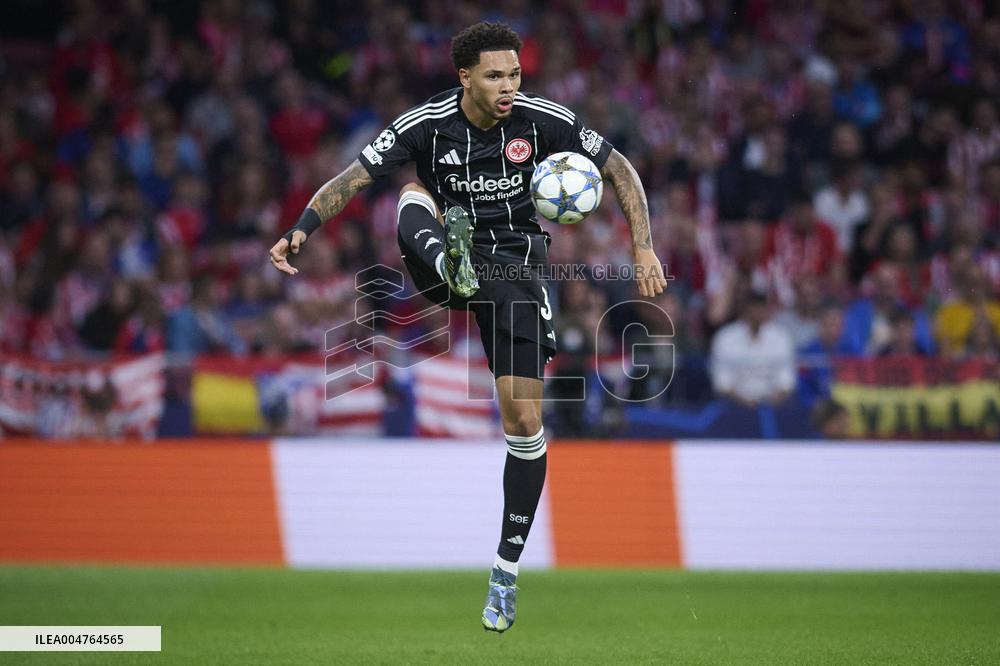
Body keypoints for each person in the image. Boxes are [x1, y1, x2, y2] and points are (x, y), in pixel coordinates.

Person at [267, 22, 667, 633]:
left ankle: (505, 574)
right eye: (495, 76)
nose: (509, 87)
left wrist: (642, 247)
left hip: (515, 269)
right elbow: (351, 178)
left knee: (524, 420)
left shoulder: (541, 120)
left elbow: (621, 171)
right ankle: (449, 258)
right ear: (465, 77)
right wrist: (301, 227)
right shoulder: (424, 125)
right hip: (442, 257)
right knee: (411, 193)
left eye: (514, 75)